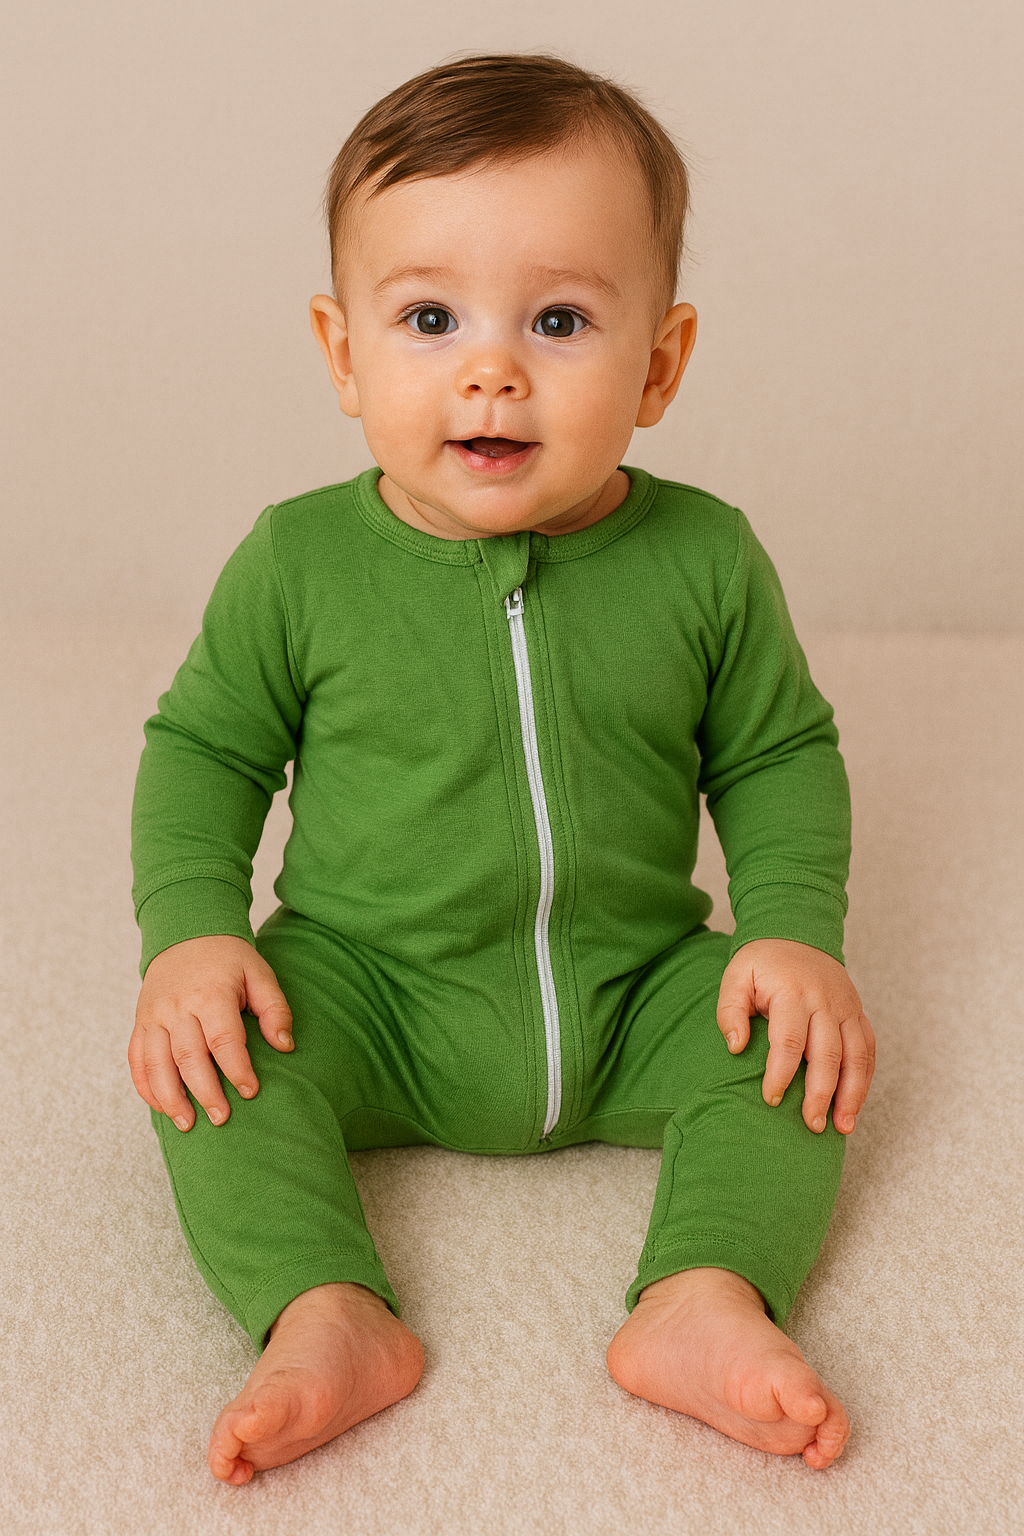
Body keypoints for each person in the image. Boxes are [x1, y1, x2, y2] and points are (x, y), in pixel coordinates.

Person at [129, 52, 875, 1486]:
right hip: (366, 989)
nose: (493, 369)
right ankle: (322, 1307)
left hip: (635, 986)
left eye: (559, 320)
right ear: (344, 353)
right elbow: (203, 752)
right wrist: (192, 935)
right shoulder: (299, 563)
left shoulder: (705, 559)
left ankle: (704, 1292)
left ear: (660, 362)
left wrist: (792, 932)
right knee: (208, 1068)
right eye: (429, 318)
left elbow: (780, 753)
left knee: (800, 1056)